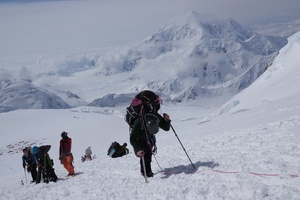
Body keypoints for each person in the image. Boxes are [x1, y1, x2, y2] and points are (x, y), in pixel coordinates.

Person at [130, 112, 171, 177]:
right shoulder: (139, 122)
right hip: (139, 138)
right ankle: (145, 173)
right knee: (144, 154)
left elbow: (166, 128)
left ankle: (147, 172)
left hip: (149, 138)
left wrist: (167, 120)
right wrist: (138, 149)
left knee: (148, 153)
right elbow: (132, 138)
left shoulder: (156, 117)